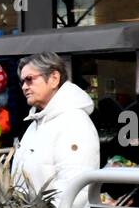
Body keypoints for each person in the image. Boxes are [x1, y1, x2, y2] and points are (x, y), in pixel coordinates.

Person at [13, 52, 100, 194]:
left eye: (29, 79)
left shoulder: (74, 122)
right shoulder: (35, 123)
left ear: (54, 78)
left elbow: (74, 188)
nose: (24, 87)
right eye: (22, 82)